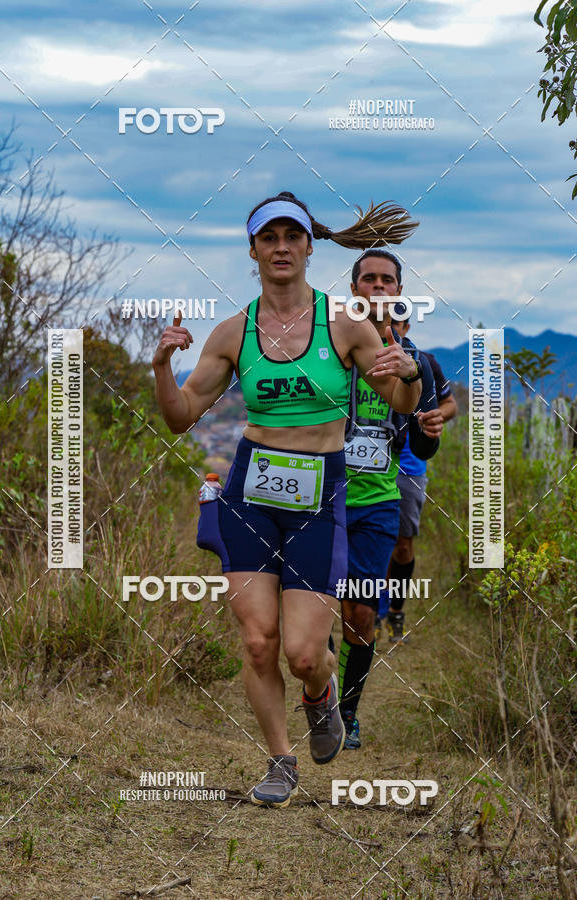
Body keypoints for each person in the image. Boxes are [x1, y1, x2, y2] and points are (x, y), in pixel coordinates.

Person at [152, 191, 421, 807]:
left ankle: (320, 694)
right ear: (252, 250)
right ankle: (280, 761)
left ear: (308, 246)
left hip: (319, 498)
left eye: (291, 237)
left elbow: (402, 404)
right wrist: (162, 366)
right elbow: (180, 416)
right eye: (268, 238)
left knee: (303, 654)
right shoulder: (233, 332)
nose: (280, 248)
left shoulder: (343, 325)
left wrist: (406, 373)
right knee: (257, 641)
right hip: (250, 492)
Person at [338, 249, 442, 749]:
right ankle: (320, 682)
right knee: (314, 610)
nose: (378, 287)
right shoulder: (329, 343)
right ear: (354, 289)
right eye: (369, 279)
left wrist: (430, 427)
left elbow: (424, 446)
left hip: (379, 499)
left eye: (387, 280)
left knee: (360, 614)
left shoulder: (415, 360)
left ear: (399, 291)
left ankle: (347, 713)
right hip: (320, 499)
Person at [388, 311, 458, 643]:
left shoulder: (425, 362)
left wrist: (430, 419)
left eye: (396, 324)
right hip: (365, 464)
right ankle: (365, 610)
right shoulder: (357, 357)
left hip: (410, 464)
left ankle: (395, 613)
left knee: (403, 544)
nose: (391, 330)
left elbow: (450, 404)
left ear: (407, 327)